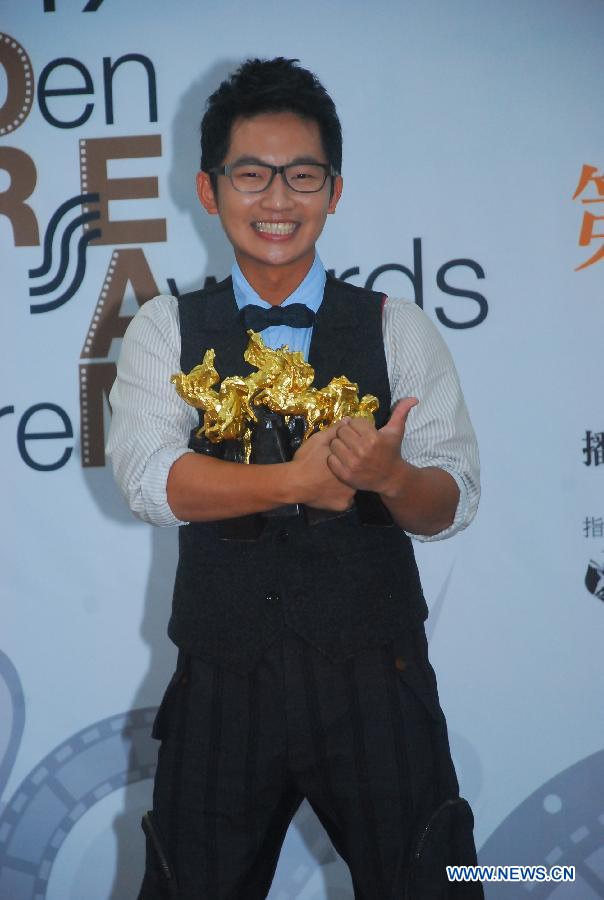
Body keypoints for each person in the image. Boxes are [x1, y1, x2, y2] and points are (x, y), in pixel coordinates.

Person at [107, 57, 483, 900]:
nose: (278, 198)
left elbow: (452, 497)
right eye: (252, 174)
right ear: (210, 190)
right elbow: (147, 480)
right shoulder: (166, 327)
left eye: (302, 174)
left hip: (377, 678)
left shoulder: (398, 326)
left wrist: (390, 478)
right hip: (222, 682)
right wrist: (295, 485)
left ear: (334, 190)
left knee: (441, 882)